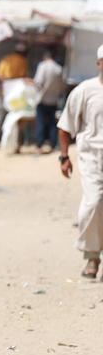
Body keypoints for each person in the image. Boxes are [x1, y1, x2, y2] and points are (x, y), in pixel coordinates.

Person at [58, 45, 103, 278]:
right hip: (91, 157)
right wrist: (64, 157)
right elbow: (65, 127)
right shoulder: (85, 91)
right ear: (99, 63)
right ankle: (91, 256)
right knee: (93, 203)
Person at [34, 50, 65, 153]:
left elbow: (38, 82)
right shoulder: (59, 69)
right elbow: (61, 87)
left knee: (40, 122)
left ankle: (39, 145)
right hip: (54, 100)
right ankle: (53, 144)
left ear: (45, 57)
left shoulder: (42, 66)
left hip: (42, 99)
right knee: (53, 123)